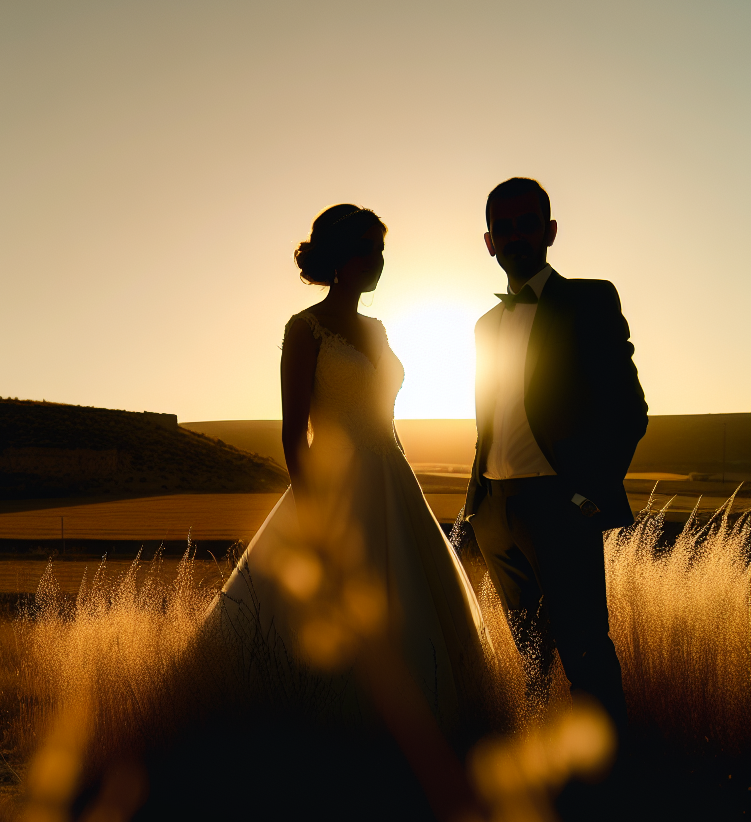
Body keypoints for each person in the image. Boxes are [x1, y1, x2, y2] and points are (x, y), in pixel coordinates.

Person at [215, 204, 498, 751]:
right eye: (368, 248)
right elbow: (293, 435)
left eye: (381, 249)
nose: (378, 260)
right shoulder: (305, 328)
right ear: (340, 257)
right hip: (336, 490)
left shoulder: (376, 327)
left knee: (412, 610)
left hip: (394, 478)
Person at [465, 177, 647, 734]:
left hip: (559, 505)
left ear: (549, 232)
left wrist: (586, 495)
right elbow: (492, 418)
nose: (515, 235)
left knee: (585, 649)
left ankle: (611, 784)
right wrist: (477, 507)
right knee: (529, 654)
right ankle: (541, 767)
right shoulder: (485, 325)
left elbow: (628, 410)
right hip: (496, 511)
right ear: (489, 241)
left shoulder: (589, 301)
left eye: (526, 224)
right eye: (504, 227)